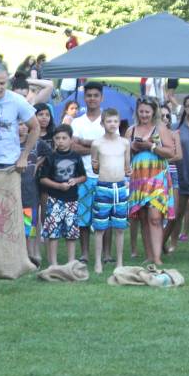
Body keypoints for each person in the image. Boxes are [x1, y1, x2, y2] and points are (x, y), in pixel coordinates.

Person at [126, 98, 177, 267]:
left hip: (157, 176)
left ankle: (157, 257)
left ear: (153, 112)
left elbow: (170, 152)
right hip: (138, 177)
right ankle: (149, 255)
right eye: (141, 111)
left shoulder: (160, 129)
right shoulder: (131, 130)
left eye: (147, 112)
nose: (144, 115)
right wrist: (132, 148)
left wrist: (151, 147)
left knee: (155, 216)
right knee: (142, 216)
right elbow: (124, 155)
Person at [162, 95, 189, 250]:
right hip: (181, 177)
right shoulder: (176, 128)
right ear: (184, 108)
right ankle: (166, 243)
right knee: (176, 215)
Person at [39, 124, 87, 266]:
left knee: (71, 232)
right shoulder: (51, 157)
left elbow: (83, 176)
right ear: (53, 139)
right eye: (57, 138)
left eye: (64, 138)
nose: (60, 141)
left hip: (72, 200)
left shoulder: (76, 157)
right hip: (54, 199)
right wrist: (58, 186)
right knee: (53, 232)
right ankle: (53, 263)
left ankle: (71, 261)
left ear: (71, 140)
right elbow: (42, 178)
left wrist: (75, 180)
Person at [90, 108, 131, 274]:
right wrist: (96, 166)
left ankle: (119, 262)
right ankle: (98, 262)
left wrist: (128, 175)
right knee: (100, 227)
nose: (112, 124)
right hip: (103, 187)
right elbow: (95, 168)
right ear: (102, 123)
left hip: (120, 187)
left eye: (115, 121)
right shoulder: (97, 144)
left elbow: (127, 167)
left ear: (119, 122)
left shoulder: (124, 143)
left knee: (120, 227)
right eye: (109, 121)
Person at [71, 82, 106, 262]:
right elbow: (72, 147)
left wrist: (84, 142)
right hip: (82, 174)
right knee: (83, 217)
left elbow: (110, 145)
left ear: (102, 98)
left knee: (104, 216)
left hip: (105, 175)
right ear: (84, 98)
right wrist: (96, 146)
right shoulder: (77, 122)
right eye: (89, 95)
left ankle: (106, 254)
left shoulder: (107, 122)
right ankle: (84, 252)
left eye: (96, 95)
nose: (92, 98)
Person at [18, 121, 51, 264]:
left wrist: (37, 164)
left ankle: (30, 255)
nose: (23, 127)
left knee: (29, 224)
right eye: (19, 124)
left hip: (29, 191)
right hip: (11, 190)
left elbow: (50, 153)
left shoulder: (36, 143)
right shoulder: (8, 144)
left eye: (26, 124)